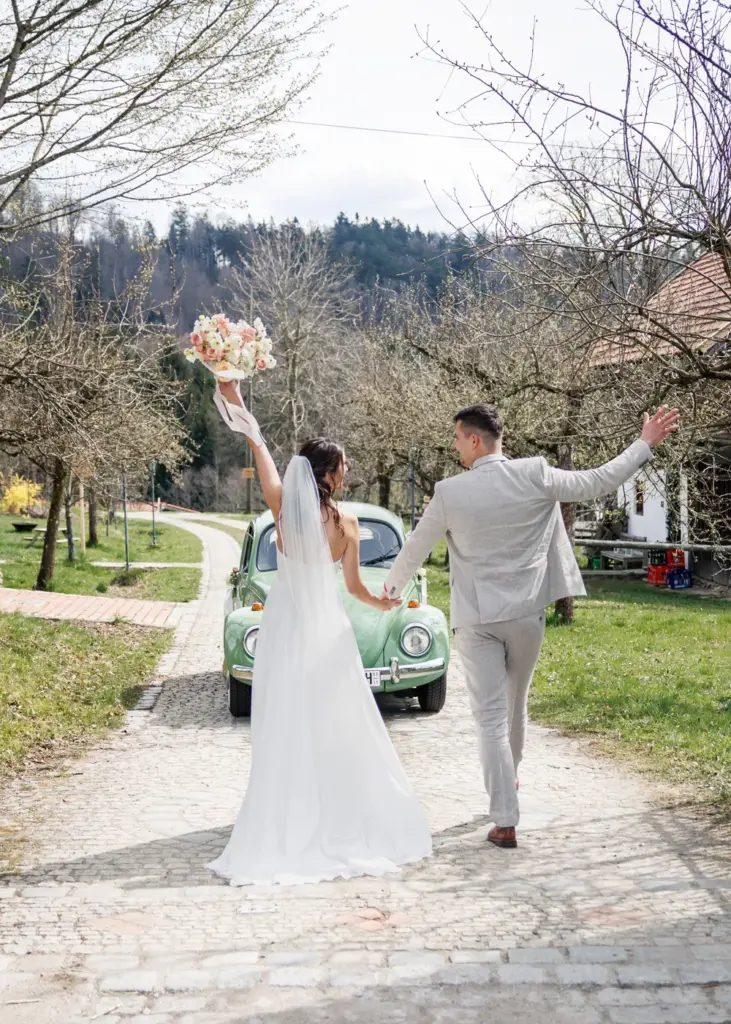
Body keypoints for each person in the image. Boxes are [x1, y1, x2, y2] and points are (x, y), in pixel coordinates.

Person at [384, 403, 680, 850]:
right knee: (515, 706)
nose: (455, 448)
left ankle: (504, 818)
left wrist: (387, 593)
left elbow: (413, 550)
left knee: (489, 717)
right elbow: (598, 480)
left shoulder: (448, 492)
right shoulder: (536, 474)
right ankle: (511, 780)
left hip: (478, 619)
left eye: (457, 440)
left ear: (475, 440)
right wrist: (645, 442)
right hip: (526, 614)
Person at [206, 380, 432, 885]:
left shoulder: (282, 508)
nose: (347, 473)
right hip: (329, 627)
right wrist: (385, 601)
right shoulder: (349, 524)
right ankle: (339, 809)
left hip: (286, 624)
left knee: (288, 717)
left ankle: (289, 809)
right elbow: (354, 587)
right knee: (336, 717)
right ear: (329, 474)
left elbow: (258, 445)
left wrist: (232, 394)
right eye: (344, 466)